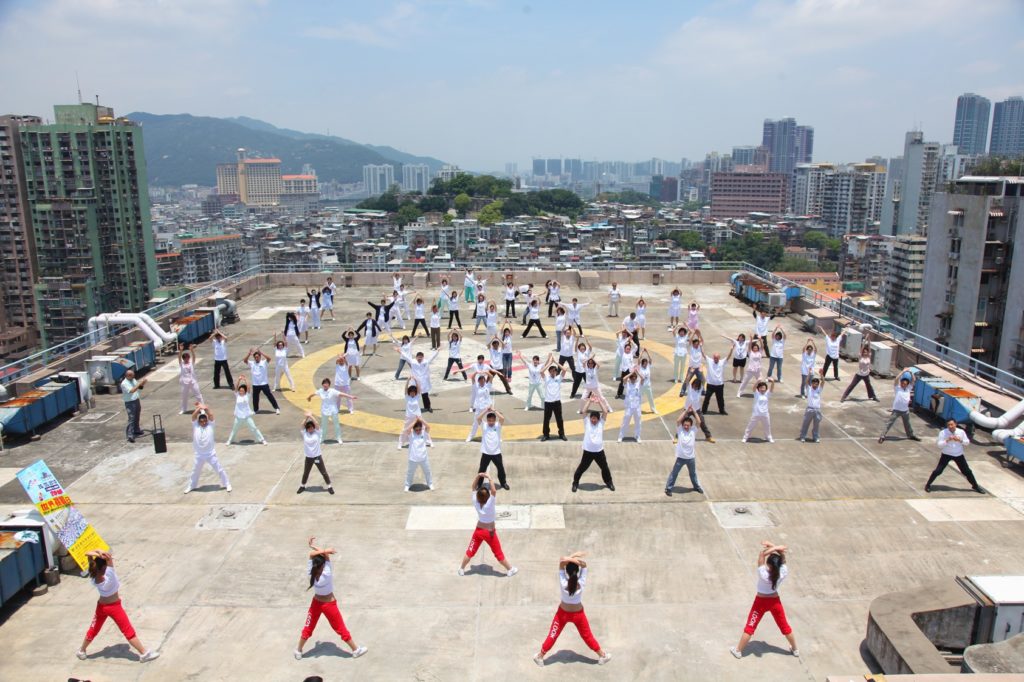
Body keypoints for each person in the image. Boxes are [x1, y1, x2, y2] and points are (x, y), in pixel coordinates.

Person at [75, 549, 159, 662]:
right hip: (114, 607)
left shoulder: (94, 577)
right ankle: (144, 653)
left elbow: (88, 554)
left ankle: (82, 650)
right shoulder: (110, 576)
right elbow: (108, 557)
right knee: (128, 630)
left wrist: (96, 553)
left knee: (93, 629)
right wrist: (99, 551)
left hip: (101, 606)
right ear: (105, 567)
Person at [294, 537, 367, 660]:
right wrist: (324, 550)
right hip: (329, 605)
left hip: (316, 603)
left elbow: (313, 555)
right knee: (340, 628)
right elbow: (326, 555)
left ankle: (298, 650)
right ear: (323, 565)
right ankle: (355, 650)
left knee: (308, 627)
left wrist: (314, 548)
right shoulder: (326, 573)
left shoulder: (310, 572)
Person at [533, 552, 611, 667]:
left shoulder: (563, 581)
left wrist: (572, 556)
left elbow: (561, 561)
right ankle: (602, 656)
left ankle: (540, 657)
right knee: (587, 636)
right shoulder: (581, 582)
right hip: (578, 615)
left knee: (552, 635)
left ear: (567, 571)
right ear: (578, 571)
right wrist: (575, 557)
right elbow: (584, 565)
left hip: (562, 614)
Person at [731, 542, 799, 659]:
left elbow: (762, 554)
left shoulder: (763, 573)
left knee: (750, 627)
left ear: (769, 565)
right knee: (785, 627)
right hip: (775, 602)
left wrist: (774, 547)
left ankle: (738, 651)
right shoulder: (783, 572)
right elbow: (782, 558)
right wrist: (774, 547)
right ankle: (795, 649)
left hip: (760, 603)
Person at [459, 473, 518, 576]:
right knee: (498, 553)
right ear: (487, 497)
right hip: (490, 533)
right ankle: (510, 569)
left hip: (478, 531)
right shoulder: (489, 504)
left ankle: (461, 569)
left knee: (470, 551)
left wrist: (478, 476)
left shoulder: (476, 502)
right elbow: (494, 491)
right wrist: (489, 478)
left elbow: (473, 487)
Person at [926, 419, 985, 493]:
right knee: (938, 471)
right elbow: (939, 445)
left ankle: (975, 486)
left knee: (967, 471)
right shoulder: (943, 433)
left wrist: (960, 440)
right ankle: (928, 484)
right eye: (948, 425)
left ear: (955, 424)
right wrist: (947, 440)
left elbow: (967, 443)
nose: (950, 426)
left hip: (958, 454)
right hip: (946, 454)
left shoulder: (961, 432)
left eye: (952, 424)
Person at [185, 403, 231, 494]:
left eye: (205, 421)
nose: (204, 423)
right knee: (195, 471)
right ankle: (191, 486)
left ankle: (227, 484)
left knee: (219, 469)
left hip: (210, 453)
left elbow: (211, 415)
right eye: (201, 421)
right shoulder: (196, 426)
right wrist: (199, 409)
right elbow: (193, 416)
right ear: (199, 422)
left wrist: (206, 408)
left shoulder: (210, 425)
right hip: (199, 454)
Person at [573, 401, 614, 492]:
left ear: (598, 419)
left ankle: (609, 482)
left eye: (595, 419)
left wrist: (599, 402)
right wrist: (589, 401)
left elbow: (605, 412)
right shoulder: (587, 423)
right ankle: (575, 482)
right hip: (588, 451)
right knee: (582, 468)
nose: (593, 420)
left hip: (599, 451)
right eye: (592, 418)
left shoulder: (601, 424)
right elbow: (584, 411)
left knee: (605, 468)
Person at [665, 410, 704, 496]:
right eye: (685, 425)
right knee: (674, 473)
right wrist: (686, 411)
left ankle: (696, 486)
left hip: (691, 458)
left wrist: (694, 412)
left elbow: (699, 421)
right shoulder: (680, 430)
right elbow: (678, 421)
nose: (686, 426)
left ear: (691, 425)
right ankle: (668, 488)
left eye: (688, 425)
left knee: (693, 473)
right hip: (681, 458)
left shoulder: (693, 430)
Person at [297, 414, 334, 495]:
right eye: (309, 428)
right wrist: (306, 417)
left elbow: (317, 424)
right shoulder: (304, 433)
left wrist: (311, 416)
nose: (311, 429)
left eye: (312, 428)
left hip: (317, 456)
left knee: (323, 472)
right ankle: (302, 486)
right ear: (307, 429)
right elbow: (302, 425)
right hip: (308, 457)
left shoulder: (317, 433)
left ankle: (329, 486)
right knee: (306, 472)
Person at [308, 378, 354, 444]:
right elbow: (313, 394)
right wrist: (309, 397)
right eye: (324, 383)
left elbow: (341, 394)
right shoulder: (320, 391)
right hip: (324, 410)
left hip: (333, 410)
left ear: (329, 385)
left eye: (326, 383)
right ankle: (322, 438)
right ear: (322, 384)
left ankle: (339, 438)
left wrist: (351, 396)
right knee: (324, 425)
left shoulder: (332, 391)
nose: (325, 385)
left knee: (336, 425)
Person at [878, 373, 921, 443]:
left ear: (907, 384)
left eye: (905, 384)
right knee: (889, 423)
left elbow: (914, 380)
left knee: (907, 424)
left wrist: (911, 373)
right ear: (901, 383)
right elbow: (896, 379)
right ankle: (882, 436)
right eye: (902, 383)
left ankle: (911, 435)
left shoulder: (908, 389)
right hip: (896, 410)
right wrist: (903, 372)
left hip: (905, 410)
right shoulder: (897, 388)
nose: (903, 385)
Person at [226, 376, 268, 445]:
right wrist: (239, 380)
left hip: (247, 416)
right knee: (234, 429)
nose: (240, 391)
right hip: (238, 416)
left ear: (245, 391)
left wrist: (245, 380)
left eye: (242, 390)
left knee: (254, 428)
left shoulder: (247, 396)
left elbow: (248, 388)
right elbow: (236, 388)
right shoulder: (237, 395)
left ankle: (262, 440)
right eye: (240, 390)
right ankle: (230, 440)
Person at [244, 347, 280, 414]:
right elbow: (245, 361)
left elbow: (269, 358)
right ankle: (255, 410)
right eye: (255, 357)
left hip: (264, 383)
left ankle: (277, 408)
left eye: (258, 357)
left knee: (269, 396)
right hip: (255, 384)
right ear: (254, 357)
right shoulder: (252, 363)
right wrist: (249, 354)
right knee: (255, 398)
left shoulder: (264, 362)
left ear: (260, 357)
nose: (256, 358)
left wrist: (261, 353)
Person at [402, 418, 434, 491]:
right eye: (416, 430)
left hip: (423, 458)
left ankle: (430, 484)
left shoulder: (424, 434)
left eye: (419, 429)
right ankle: (407, 485)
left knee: (427, 471)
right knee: (410, 473)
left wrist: (420, 420)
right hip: (413, 458)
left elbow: (428, 427)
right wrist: (415, 421)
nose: (418, 431)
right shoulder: (411, 435)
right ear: (413, 429)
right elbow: (407, 430)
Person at [682, 371, 715, 442]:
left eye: (696, 386)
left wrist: (702, 372)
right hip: (687, 409)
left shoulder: (699, 390)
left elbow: (704, 380)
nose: (695, 387)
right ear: (692, 384)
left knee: (702, 422)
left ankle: (708, 436)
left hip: (696, 410)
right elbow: (687, 380)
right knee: (682, 421)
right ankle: (678, 436)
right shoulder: (689, 388)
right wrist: (690, 372)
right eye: (694, 385)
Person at [541, 358, 569, 441]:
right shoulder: (546, 378)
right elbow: (541, 372)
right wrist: (549, 363)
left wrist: (556, 362)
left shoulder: (558, 378)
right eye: (551, 371)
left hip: (557, 402)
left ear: (556, 372)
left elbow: (564, 369)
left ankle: (562, 434)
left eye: (554, 371)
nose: (553, 372)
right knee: (546, 419)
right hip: (548, 402)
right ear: (549, 372)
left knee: (559, 419)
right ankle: (546, 435)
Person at [742, 379, 775, 444]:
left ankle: (768, 437)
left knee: (767, 427)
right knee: (750, 426)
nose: (762, 389)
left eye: (764, 388)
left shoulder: (767, 394)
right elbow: (754, 388)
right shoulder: (756, 394)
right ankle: (745, 437)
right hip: (756, 414)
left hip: (765, 414)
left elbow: (771, 389)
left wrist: (773, 382)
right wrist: (757, 381)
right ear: (758, 388)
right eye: (761, 388)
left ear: (766, 389)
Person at [617, 370, 644, 443]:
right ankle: (621, 436)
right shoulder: (627, 384)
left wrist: (637, 373)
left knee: (638, 422)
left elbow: (643, 379)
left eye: (635, 378)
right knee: (625, 421)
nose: (633, 379)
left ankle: (637, 436)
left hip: (637, 406)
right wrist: (631, 373)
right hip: (629, 406)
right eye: (632, 378)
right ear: (630, 378)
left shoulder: (638, 384)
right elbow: (624, 379)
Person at [701, 348, 730, 416]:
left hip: (719, 385)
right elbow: (703, 354)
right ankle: (704, 410)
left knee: (720, 399)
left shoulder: (722, 362)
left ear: (719, 358)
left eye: (717, 358)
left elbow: (728, 356)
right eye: (714, 358)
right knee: (707, 398)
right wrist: (701, 346)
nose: (715, 359)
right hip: (710, 385)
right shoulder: (710, 361)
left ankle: (722, 410)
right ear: (713, 357)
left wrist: (731, 349)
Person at [120, 369, 146, 443]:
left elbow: (139, 388)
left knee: (137, 416)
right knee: (131, 418)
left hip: (136, 400)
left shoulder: (133, 380)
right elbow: (132, 390)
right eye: (132, 375)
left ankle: (136, 430)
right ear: (128, 375)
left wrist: (142, 384)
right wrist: (139, 384)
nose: (133, 376)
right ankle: (130, 435)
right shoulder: (124, 383)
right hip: (130, 402)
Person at [797, 374, 825, 443]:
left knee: (816, 425)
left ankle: (816, 437)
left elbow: (823, 382)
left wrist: (821, 375)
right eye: (814, 383)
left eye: (816, 384)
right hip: (810, 409)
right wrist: (809, 374)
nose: (815, 385)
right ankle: (803, 436)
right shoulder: (809, 389)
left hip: (817, 410)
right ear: (812, 384)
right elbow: (806, 381)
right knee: (805, 423)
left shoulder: (819, 390)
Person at [178, 344, 204, 414]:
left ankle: (202, 409)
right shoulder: (182, 364)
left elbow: (194, 357)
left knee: (198, 395)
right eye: (186, 358)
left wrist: (192, 350)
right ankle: (184, 409)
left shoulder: (191, 363)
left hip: (193, 381)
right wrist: (180, 351)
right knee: (184, 396)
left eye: (188, 357)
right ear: (184, 358)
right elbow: (179, 358)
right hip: (184, 382)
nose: (187, 359)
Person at [398, 380, 424, 449]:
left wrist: (416, 381)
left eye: (413, 392)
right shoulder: (407, 397)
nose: (412, 393)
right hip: (409, 417)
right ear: (409, 393)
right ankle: (400, 443)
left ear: (415, 393)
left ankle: (423, 442)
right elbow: (405, 389)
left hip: (417, 417)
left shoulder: (417, 397)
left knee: (421, 429)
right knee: (405, 430)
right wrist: (408, 380)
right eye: (411, 392)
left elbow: (419, 389)